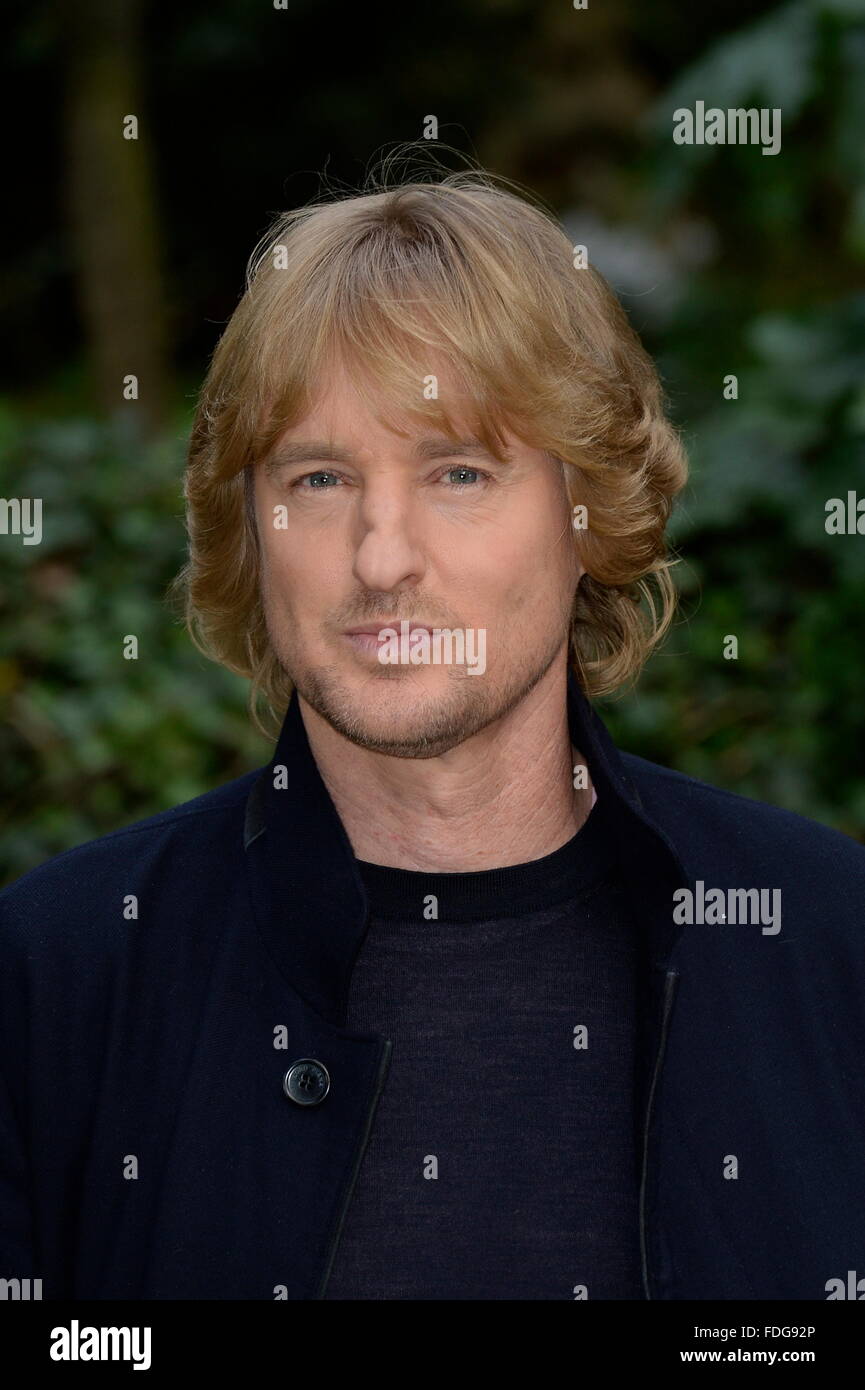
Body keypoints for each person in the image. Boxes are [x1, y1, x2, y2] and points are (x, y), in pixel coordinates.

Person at [2, 170, 863, 1302]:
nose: (381, 556)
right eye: (319, 478)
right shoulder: (55, 973)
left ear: (586, 511)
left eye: (458, 471)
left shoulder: (827, 941)